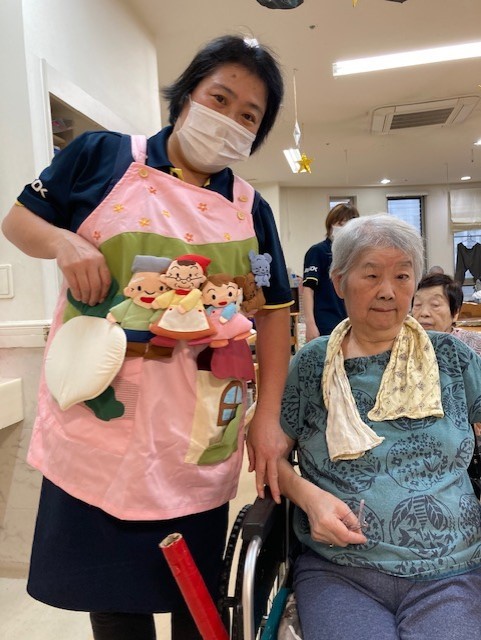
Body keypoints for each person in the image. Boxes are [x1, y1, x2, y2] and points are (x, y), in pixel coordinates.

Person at [1, 34, 292, 640]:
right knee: (113, 605)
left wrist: (268, 417)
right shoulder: (101, 157)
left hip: (198, 431)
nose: (229, 120)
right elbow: (19, 221)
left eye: (249, 116)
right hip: (99, 425)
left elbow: (271, 313)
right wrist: (63, 241)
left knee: (196, 602)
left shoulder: (250, 209)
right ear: (186, 95)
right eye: (220, 98)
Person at [278, 215, 481, 640]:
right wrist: (309, 498)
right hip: (341, 568)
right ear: (339, 282)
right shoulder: (311, 364)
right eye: (371, 275)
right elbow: (272, 457)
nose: (388, 291)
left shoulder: (452, 357)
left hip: (451, 568)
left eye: (402, 276)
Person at [302, 202, 359, 341]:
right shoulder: (318, 251)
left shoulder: (355, 255)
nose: (344, 229)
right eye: (340, 224)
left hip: (352, 320)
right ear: (330, 225)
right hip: (326, 321)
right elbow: (308, 289)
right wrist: (310, 324)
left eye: (349, 225)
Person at [412, 272, 481, 355]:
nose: (424, 313)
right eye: (418, 304)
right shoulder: (404, 343)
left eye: (435, 305)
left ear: (455, 313)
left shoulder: (473, 345)